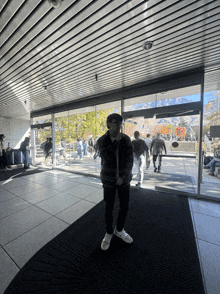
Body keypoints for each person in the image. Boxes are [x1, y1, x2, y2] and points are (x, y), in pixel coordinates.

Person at [97, 113, 133, 251]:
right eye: (114, 122)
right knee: (109, 207)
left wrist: (123, 177)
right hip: (108, 180)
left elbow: (130, 161)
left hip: (124, 180)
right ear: (108, 124)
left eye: (119, 122)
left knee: (124, 206)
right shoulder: (103, 140)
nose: (117, 125)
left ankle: (119, 229)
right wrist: (116, 142)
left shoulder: (126, 139)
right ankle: (109, 232)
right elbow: (106, 156)